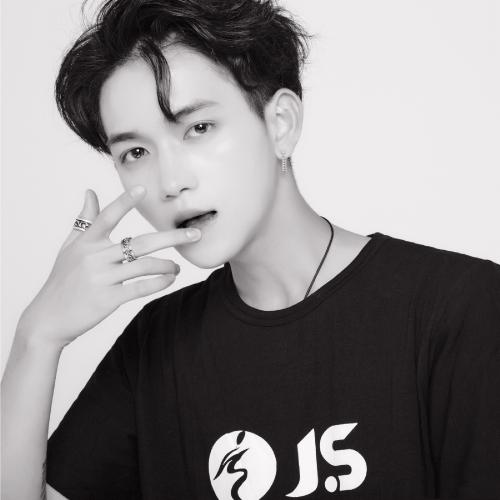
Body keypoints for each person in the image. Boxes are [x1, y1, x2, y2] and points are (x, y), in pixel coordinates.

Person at [1, 0, 499, 498]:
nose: (170, 182)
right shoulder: (155, 347)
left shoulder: (460, 306)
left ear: (280, 123)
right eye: (135, 152)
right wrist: (36, 337)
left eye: (198, 128)